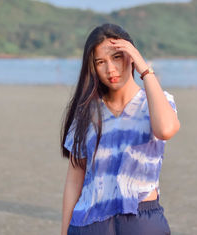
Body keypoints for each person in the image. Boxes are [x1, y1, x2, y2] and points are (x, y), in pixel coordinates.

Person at [60, 23, 180, 235]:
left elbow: (166, 129)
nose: (110, 69)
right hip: (89, 222)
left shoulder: (153, 102)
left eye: (117, 57)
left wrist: (144, 68)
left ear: (131, 55)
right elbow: (74, 178)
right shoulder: (86, 112)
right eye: (100, 62)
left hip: (141, 220)